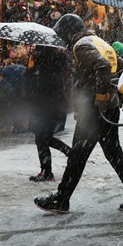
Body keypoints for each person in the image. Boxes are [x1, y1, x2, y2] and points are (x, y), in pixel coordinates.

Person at [34, 14, 123, 213]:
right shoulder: (99, 41)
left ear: (69, 32)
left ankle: (61, 199)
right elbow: (121, 67)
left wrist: (101, 97)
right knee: (113, 154)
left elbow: (103, 67)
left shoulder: (81, 46)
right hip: (108, 112)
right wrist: (118, 96)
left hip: (94, 113)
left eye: (63, 35)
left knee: (78, 157)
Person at [23, 46, 72, 182]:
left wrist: (30, 76)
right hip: (51, 108)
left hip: (48, 108)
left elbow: (43, 88)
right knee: (43, 138)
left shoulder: (47, 69)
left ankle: (49, 170)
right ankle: (67, 156)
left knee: (42, 138)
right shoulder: (52, 65)